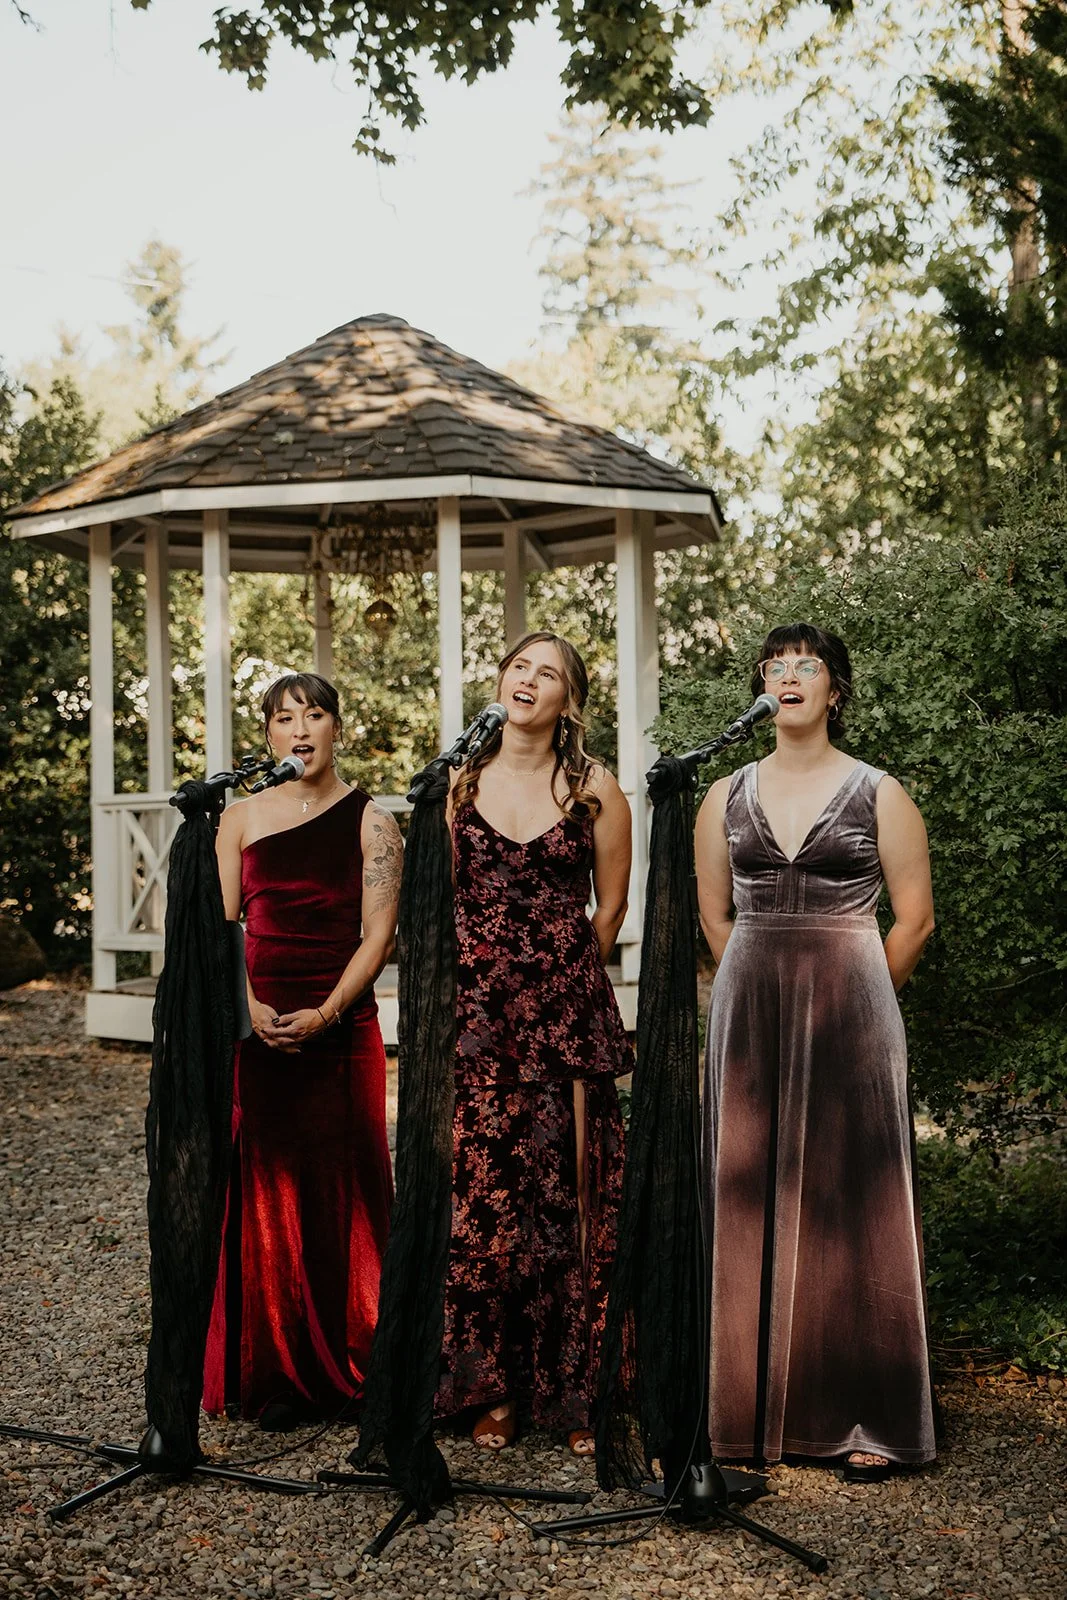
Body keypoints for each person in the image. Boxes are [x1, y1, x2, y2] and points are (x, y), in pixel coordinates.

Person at [694, 623, 937, 1482]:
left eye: (808, 666)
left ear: (835, 690)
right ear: (761, 688)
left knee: (855, 1202)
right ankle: (749, 1417)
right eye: (775, 665)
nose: (789, 676)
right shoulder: (721, 792)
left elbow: (913, 920)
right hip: (750, 1008)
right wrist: (757, 992)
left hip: (854, 1013)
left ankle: (866, 1414)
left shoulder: (879, 793)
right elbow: (714, 917)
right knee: (747, 1193)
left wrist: (858, 997)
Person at [437, 632, 633, 1455]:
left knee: (566, 1202)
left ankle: (579, 1394)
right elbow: (442, 898)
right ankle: (492, 1390)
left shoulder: (595, 790)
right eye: (520, 666)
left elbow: (610, 912)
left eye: (547, 673)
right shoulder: (458, 783)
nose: (529, 680)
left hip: (563, 1021)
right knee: (485, 1203)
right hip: (479, 1019)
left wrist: (560, 985)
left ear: (568, 701)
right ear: (500, 682)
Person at [203, 672, 402, 1431]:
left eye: (314, 714)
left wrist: (324, 1013)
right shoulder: (239, 818)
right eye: (284, 717)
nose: (300, 728)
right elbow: (222, 927)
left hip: (339, 1030)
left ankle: (355, 1360)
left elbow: (378, 935)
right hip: (255, 1028)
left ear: (337, 727)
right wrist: (248, 1009)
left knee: (343, 1189)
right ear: (267, 735)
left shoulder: (373, 821)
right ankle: (272, 1370)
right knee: (261, 1194)